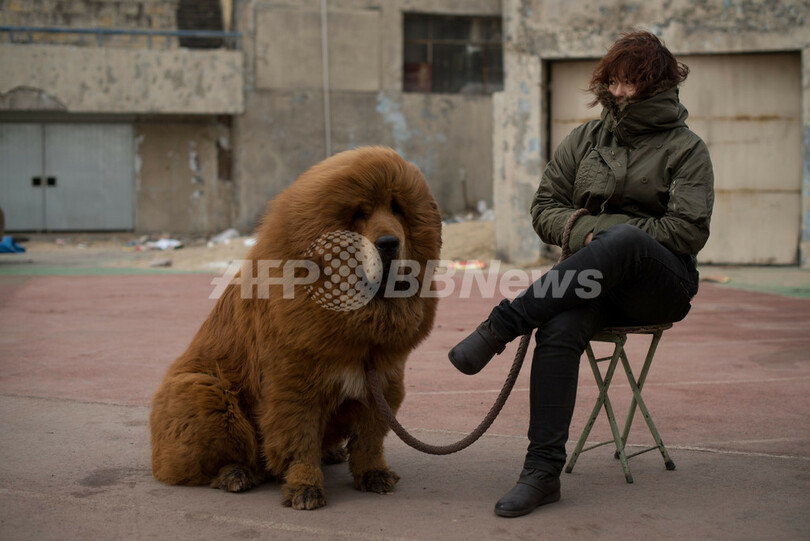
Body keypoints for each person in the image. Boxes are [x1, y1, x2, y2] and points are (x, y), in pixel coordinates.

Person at [448, 31, 714, 518]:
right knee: (559, 326)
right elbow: (544, 209)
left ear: (657, 84)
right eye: (612, 80)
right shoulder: (584, 140)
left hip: (660, 286)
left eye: (630, 82)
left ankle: (502, 325)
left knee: (628, 241)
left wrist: (607, 234)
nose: (617, 92)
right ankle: (542, 473)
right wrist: (592, 236)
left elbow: (687, 230)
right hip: (591, 283)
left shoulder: (686, 149)